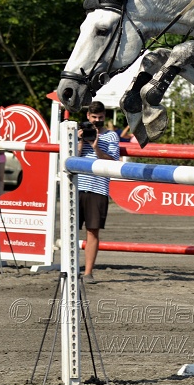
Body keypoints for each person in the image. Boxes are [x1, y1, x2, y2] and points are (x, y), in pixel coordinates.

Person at [76, 101, 120, 283]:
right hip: (77, 186)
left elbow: (113, 161)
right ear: (88, 116)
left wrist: (95, 147)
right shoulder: (76, 132)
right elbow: (72, 158)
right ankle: (70, 269)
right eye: (94, 117)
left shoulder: (111, 136)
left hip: (98, 187)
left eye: (100, 117)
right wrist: (80, 140)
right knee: (70, 229)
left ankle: (88, 272)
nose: (97, 121)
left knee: (92, 231)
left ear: (105, 116)